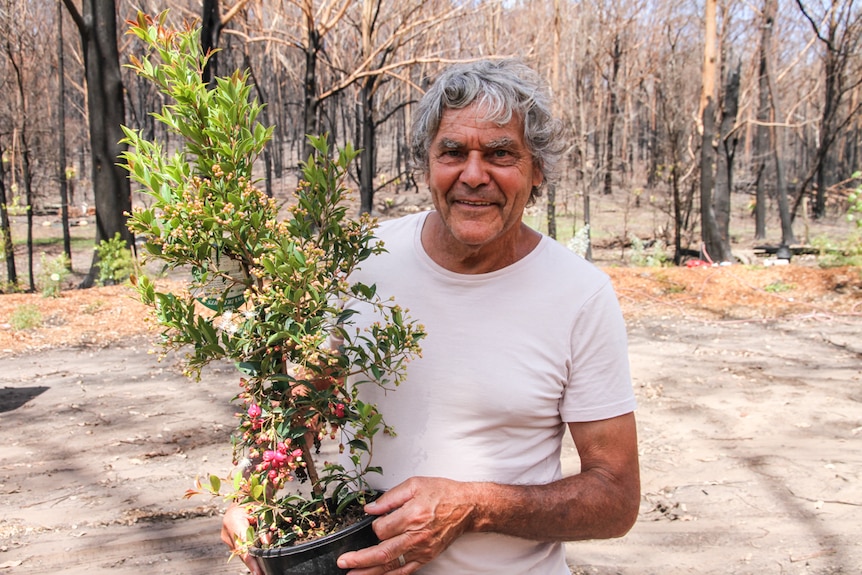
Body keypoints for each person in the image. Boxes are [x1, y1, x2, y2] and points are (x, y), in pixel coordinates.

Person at [223, 58, 640, 575]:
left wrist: (474, 507)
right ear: (427, 164)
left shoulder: (580, 296)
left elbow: (616, 499)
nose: (472, 174)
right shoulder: (362, 259)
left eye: (500, 153)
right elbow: (302, 399)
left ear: (537, 172)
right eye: (452, 151)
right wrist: (252, 492)